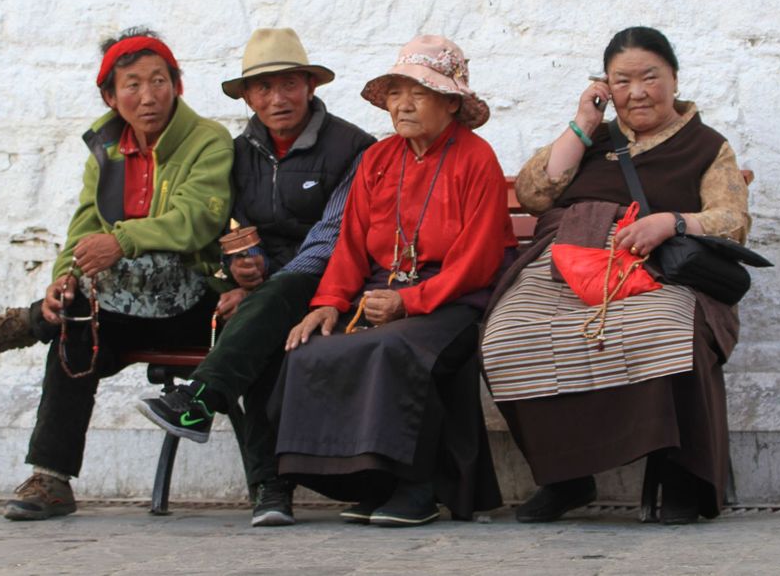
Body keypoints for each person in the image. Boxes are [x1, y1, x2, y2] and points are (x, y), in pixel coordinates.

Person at [0, 27, 234, 520]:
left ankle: (28, 323)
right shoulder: (107, 147)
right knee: (74, 326)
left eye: (158, 81)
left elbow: (199, 220)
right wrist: (63, 279)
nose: (147, 96)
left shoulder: (207, 140)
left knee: (78, 315)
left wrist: (123, 241)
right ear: (110, 95)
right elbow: (85, 224)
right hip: (118, 307)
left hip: (193, 305)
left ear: (178, 85)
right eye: (132, 85)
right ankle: (51, 479)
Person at [481, 26, 751, 525]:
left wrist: (671, 222)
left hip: (651, 264)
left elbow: (731, 219)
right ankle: (564, 478)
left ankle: (680, 474)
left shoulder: (708, 146)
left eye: (650, 77)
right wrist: (584, 122)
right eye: (622, 81)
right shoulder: (593, 137)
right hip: (564, 261)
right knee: (506, 336)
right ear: (606, 85)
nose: (638, 92)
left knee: (670, 331)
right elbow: (536, 193)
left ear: (673, 77)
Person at [271, 35, 517, 527]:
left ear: (451, 103)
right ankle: (370, 482)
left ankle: (417, 488)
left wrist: (410, 302)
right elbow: (351, 243)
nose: (402, 105)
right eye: (396, 92)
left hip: (456, 299)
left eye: (419, 93)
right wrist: (329, 303)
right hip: (383, 292)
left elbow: (478, 258)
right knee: (311, 349)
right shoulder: (378, 160)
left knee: (393, 348)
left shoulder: (476, 158)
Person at [136, 28, 376, 527]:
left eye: (289, 84)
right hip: (266, 293)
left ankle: (204, 403)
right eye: (263, 88)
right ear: (247, 96)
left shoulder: (354, 147)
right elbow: (227, 230)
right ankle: (269, 489)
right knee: (256, 334)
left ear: (310, 86)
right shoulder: (236, 151)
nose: (277, 98)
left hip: (330, 282)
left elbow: (332, 237)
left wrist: (261, 288)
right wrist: (236, 276)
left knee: (268, 310)